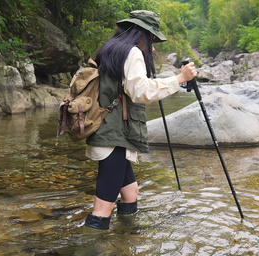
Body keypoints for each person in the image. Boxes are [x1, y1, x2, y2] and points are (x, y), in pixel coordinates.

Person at [83, 10, 197, 230]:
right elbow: (140, 92)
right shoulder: (132, 53)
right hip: (114, 136)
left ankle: (127, 238)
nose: (152, 45)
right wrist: (180, 78)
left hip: (110, 132)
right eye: (152, 38)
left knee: (130, 190)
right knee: (102, 207)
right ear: (142, 33)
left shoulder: (111, 48)